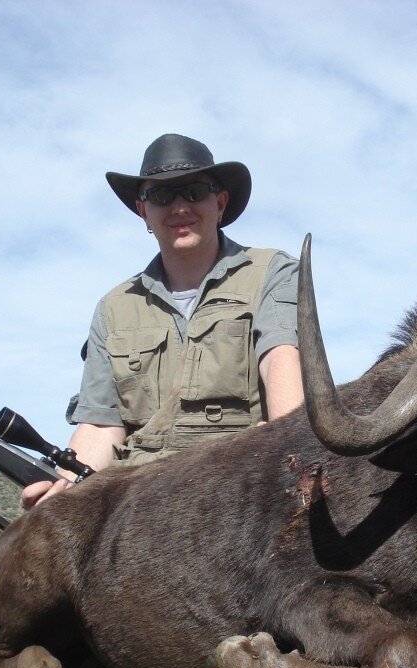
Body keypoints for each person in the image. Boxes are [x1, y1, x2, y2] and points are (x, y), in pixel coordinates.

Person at [22, 134, 302, 509]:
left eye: (194, 191)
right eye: (161, 196)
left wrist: (292, 458)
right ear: (144, 212)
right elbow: (103, 423)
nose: (179, 207)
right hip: (142, 501)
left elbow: (281, 358)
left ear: (219, 203)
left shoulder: (272, 272)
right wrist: (65, 488)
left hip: (242, 489)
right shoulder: (113, 308)